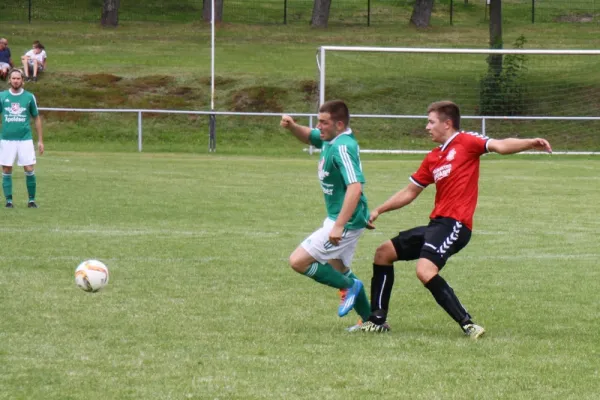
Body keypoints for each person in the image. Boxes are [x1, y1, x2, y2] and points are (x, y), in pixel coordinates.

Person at [359, 100, 552, 338]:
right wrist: (379, 210)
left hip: (456, 224)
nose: (427, 127)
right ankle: (377, 320)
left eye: (431, 122)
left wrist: (530, 143)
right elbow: (410, 192)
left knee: (424, 270)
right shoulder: (433, 157)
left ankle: (468, 324)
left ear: (447, 123)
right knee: (383, 253)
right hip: (437, 224)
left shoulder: (466, 142)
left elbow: (501, 145)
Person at [280, 100, 378, 329]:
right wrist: (293, 126)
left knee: (298, 261)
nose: (319, 126)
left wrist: (339, 226)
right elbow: (310, 136)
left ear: (340, 124)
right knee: (338, 268)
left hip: (344, 221)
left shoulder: (343, 147)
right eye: (318, 121)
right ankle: (371, 322)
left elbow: (355, 187)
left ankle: (349, 287)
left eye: (324, 123)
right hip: (346, 218)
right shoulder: (330, 138)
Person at [0, 68, 44, 208]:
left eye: (18, 78)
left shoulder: (29, 97)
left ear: (23, 81)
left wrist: (40, 140)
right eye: (13, 78)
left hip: (25, 139)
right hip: (6, 139)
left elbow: (36, 118)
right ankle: (9, 201)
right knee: (6, 169)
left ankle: (31, 200)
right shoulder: (2, 96)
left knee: (29, 168)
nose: (16, 80)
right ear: (9, 80)